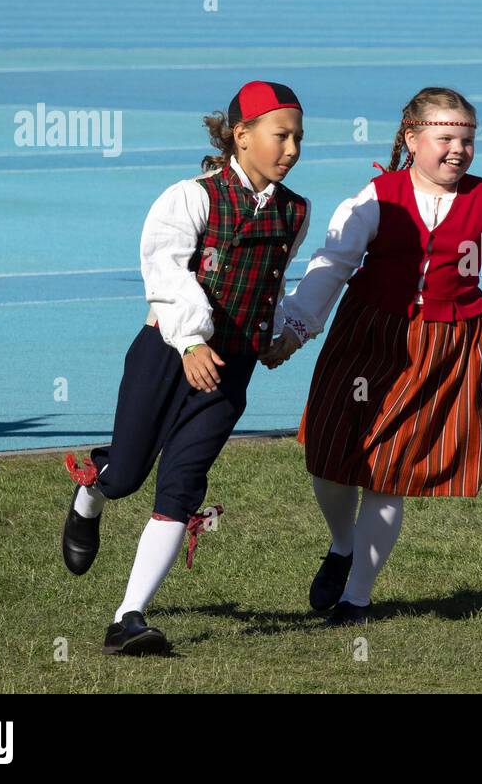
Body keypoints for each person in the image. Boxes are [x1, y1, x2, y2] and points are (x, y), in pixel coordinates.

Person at [263, 87, 482, 625]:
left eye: (466, 140)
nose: (458, 151)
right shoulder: (377, 196)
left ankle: (356, 598)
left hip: (445, 344)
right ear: (412, 138)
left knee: (389, 471)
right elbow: (331, 264)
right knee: (331, 459)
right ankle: (341, 543)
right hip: (368, 336)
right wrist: (294, 327)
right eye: (445, 138)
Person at [62, 80, 310, 654]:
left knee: (182, 484)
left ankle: (129, 618)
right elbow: (166, 272)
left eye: (299, 137)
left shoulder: (295, 211)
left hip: (232, 368)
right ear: (241, 136)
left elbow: (269, 284)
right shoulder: (190, 197)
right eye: (281, 135)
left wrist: (276, 332)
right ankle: (90, 495)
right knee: (126, 475)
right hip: (166, 355)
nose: (292, 149)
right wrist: (193, 341)